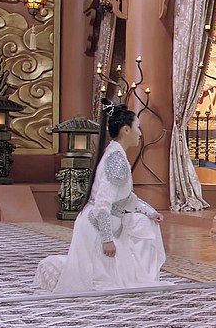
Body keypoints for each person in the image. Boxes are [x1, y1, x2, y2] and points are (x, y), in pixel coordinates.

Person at [34, 99, 168, 292]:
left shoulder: (117, 155)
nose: (140, 133)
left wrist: (149, 212)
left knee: (141, 232)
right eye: (137, 127)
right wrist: (107, 239)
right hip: (97, 227)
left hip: (108, 224)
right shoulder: (116, 159)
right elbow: (103, 203)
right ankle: (54, 269)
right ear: (126, 130)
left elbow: (125, 197)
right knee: (101, 284)